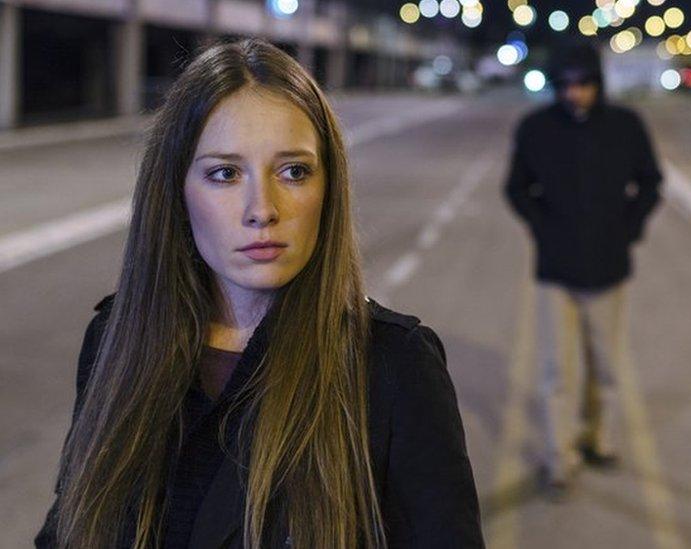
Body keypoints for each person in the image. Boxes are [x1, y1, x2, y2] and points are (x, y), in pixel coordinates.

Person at [34, 39, 484, 548]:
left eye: (293, 171)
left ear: (328, 188)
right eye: (225, 173)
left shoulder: (393, 367)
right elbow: (67, 529)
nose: (262, 209)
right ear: (176, 193)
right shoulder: (114, 340)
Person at [503, 40, 663, 495]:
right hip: (555, 268)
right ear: (557, 85)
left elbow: (651, 184)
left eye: (584, 84)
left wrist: (628, 230)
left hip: (609, 267)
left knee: (606, 365)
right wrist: (541, 227)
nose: (576, 93)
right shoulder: (535, 128)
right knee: (558, 370)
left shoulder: (626, 126)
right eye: (568, 85)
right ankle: (561, 458)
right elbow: (515, 188)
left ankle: (599, 439)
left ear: (598, 82)